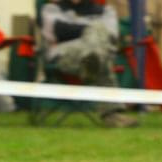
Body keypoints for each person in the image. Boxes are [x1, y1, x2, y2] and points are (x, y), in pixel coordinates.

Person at [40, 0, 138, 128]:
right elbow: (56, 32)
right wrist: (91, 29)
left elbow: (112, 35)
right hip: (64, 54)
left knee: (98, 54)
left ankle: (91, 63)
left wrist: (77, 30)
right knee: (99, 44)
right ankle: (112, 115)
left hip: (95, 55)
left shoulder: (106, 11)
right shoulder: (52, 8)